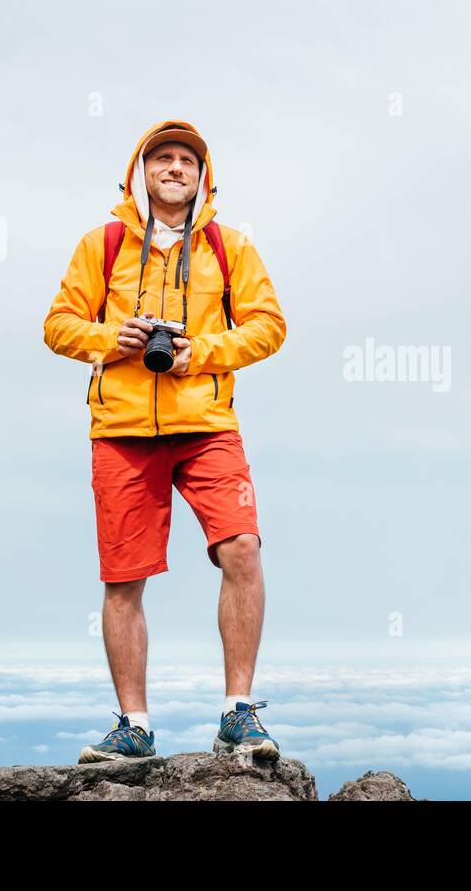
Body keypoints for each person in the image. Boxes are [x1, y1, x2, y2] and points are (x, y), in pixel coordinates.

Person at [43, 120, 287, 763]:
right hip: (122, 432)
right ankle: (134, 726)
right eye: (163, 158)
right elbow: (58, 325)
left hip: (208, 427)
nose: (175, 168)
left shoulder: (230, 248)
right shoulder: (103, 245)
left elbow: (269, 327)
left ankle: (238, 714)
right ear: (140, 171)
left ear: (202, 177)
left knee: (243, 549)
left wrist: (198, 352)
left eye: (187, 160)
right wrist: (110, 338)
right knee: (123, 580)